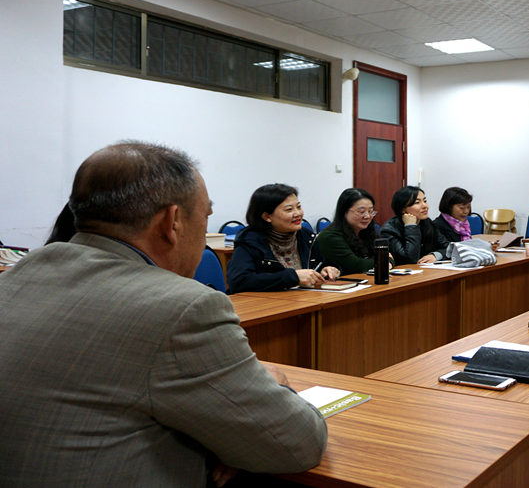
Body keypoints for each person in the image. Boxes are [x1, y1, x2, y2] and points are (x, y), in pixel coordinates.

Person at [0, 141, 326, 487]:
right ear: (172, 222)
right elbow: (297, 443)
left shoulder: (19, 275)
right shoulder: (182, 308)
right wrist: (274, 385)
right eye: (205, 217)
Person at [226, 184, 340, 294]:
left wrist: (326, 269)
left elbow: (318, 263)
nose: (298, 214)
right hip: (267, 303)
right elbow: (239, 281)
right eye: (289, 209)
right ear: (267, 217)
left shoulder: (305, 236)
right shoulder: (250, 240)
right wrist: (293, 277)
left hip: (303, 299)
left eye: (299, 207)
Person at [317, 187, 393, 274]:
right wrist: (383, 260)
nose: (367, 216)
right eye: (361, 212)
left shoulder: (366, 232)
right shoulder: (330, 236)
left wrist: (385, 260)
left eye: (370, 211)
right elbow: (357, 266)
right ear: (344, 212)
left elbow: (392, 258)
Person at [381, 186, 450, 265]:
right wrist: (411, 226)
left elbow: (449, 248)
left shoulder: (427, 223)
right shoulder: (389, 229)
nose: (425, 206)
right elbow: (411, 258)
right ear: (403, 209)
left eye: (425, 201)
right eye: (417, 203)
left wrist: (435, 255)